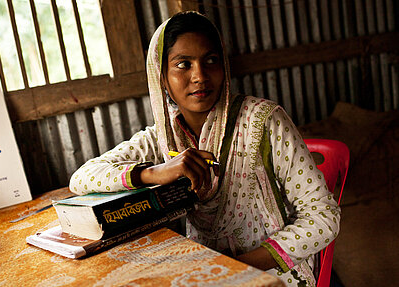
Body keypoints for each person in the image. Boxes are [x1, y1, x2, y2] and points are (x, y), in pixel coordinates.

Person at [69, 11, 339, 286]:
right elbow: (81, 178)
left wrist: (233, 267)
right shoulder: (164, 136)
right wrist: (156, 173)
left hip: (271, 274)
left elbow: (324, 217)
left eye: (210, 61)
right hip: (205, 273)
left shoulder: (264, 121)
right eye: (183, 64)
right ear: (161, 77)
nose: (200, 76)